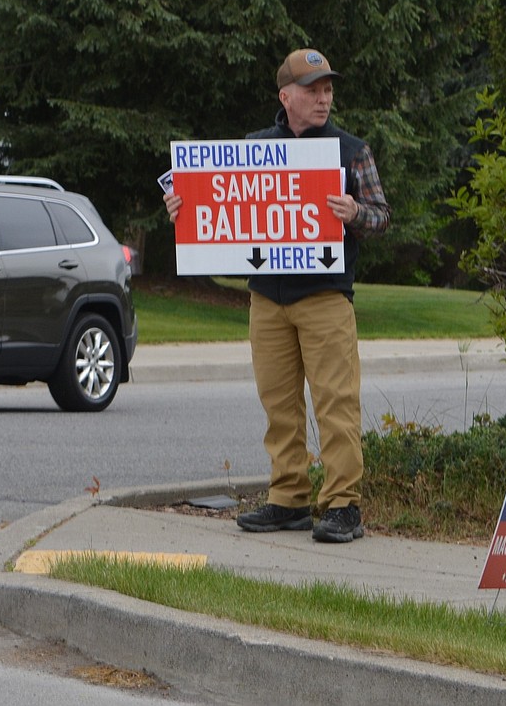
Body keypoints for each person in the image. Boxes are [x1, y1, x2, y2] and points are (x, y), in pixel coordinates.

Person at [164, 48, 390, 543]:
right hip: (267, 298)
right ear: (285, 96)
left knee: (336, 402)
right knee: (279, 404)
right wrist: (184, 205)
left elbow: (381, 217)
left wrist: (355, 212)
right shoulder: (252, 149)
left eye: (327, 89)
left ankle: (343, 505)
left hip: (327, 296)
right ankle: (288, 499)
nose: (323, 98)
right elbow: (217, 213)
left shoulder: (350, 151)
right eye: (312, 90)